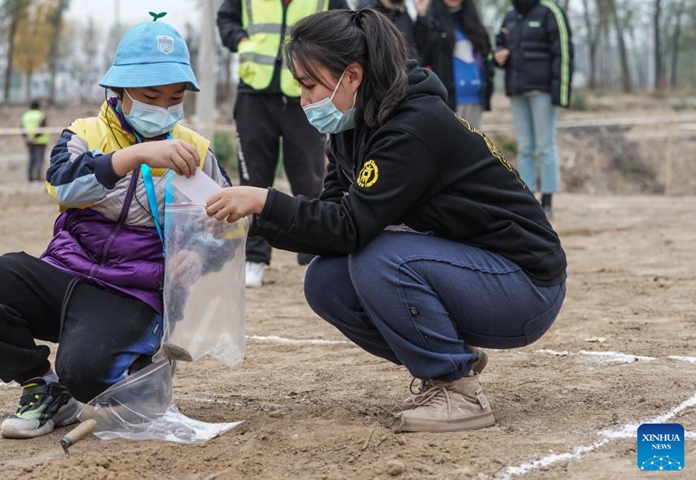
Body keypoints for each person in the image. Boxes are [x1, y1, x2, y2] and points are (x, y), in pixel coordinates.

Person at [206, 8, 566, 433]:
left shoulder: (412, 128)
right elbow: (331, 221)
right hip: (473, 271)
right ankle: (448, 361)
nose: (302, 99)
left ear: (352, 76)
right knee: (326, 282)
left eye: (309, 85)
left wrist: (266, 201)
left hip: (525, 288)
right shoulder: (352, 125)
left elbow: (350, 227)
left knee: (379, 255)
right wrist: (251, 220)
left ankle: (458, 391)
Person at [0, 14, 233, 439]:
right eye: (151, 95)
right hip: (64, 274)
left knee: (84, 372)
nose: (165, 108)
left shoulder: (196, 151)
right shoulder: (84, 134)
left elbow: (228, 229)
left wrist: (200, 253)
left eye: (175, 98)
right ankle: (43, 389)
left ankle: (141, 367)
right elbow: (64, 187)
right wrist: (134, 156)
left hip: (134, 293)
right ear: (119, 91)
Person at [217, 0, 349, 288]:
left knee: (310, 179)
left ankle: (312, 256)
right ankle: (254, 256)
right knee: (253, 177)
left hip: (305, 95)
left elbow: (345, 25)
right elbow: (225, 19)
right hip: (254, 93)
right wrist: (240, 39)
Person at [494, 0, 573, 219]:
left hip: (543, 91)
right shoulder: (510, 16)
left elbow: (563, 52)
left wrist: (561, 94)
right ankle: (528, 201)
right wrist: (497, 56)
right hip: (517, 90)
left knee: (545, 147)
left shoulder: (550, 11)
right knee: (525, 147)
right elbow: (497, 46)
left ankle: (547, 201)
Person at [422, 0, 493, 128]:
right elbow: (422, 53)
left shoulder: (474, 23)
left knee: (474, 144)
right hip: (447, 99)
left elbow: (486, 57)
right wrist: (422, 18)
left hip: (475, 97)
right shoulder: (431, 23)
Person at [355, 0, 430, 64]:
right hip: (391, 75)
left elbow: (419, 47)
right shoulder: (369, 9)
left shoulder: (401, 11)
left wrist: (421, 16)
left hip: (410, 72)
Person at [20, 100, 49, 182]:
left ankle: (30, 178)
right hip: (40, 141)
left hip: (29, 141)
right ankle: (38, 177)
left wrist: (27, 138)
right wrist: (34, 137)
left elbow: (22, 128)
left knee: (31, 160)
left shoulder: (25, 115)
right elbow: (42, 128)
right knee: (39, 160)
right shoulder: (41, 115)